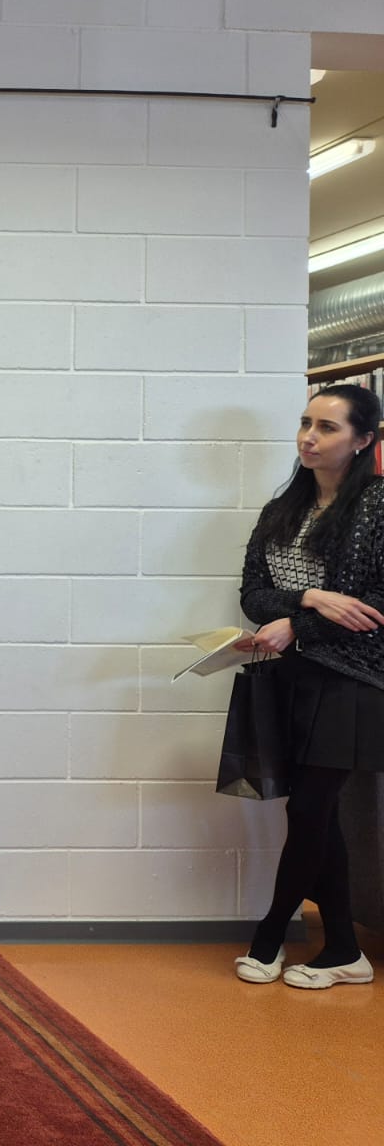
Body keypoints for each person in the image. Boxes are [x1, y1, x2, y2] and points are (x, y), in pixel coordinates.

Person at [234, 382, 384, 990]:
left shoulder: (378, 506)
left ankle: (270, 935)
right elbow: (253, 596)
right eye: (305, 423)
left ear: (363, 440)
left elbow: (374, 605)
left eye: (327, 427)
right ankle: (344, 948)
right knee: (318, 816)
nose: (309, 437)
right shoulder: (283, 508)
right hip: (292, 678)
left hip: (353, 680)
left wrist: (297, 623)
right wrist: (312, 598)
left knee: (308, 808)